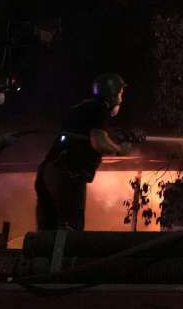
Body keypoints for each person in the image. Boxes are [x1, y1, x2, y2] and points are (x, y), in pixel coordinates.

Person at [35, 73, 138, 231]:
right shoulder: (100, 108)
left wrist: (114, 137)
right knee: (70, 232)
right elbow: (98, 142)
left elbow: (87, 135)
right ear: (112, 95)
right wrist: (119, 149)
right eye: (120, 94)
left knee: (48, 233)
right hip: (66, 175)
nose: (121, 99)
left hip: (48, 171)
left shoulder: (83, 108)